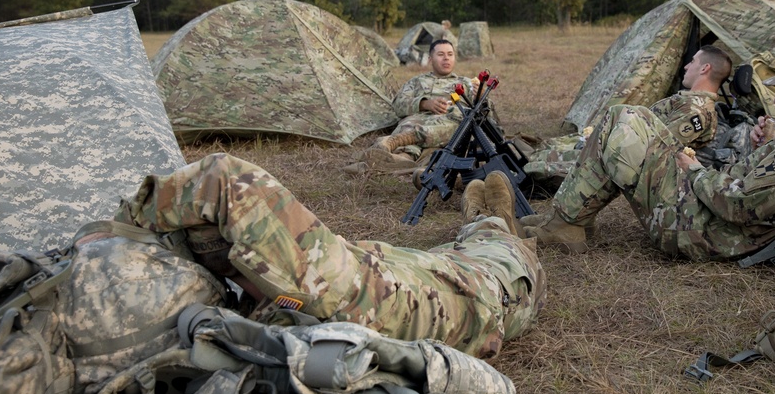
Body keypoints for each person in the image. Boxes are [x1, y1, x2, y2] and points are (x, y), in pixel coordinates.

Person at [114, 153, 545, 359]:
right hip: (488, 281)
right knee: (484, 244)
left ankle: (488, 220)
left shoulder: (325, 290)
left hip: (449, 276)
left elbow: (224, 181)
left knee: (479, 239)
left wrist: (121, 226)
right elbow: (223, 180)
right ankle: (492, 222)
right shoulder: (337, 291)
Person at [522, 53, 775, 259]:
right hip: (707, 218)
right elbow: (764, 191)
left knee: (622, 121)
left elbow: (738, 205)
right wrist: (761, 149)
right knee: (626, 126)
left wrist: (694, 170)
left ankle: (567, 221)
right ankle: (570, 221)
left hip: (697, 228)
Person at [522, 46, 732, 188]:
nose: (686, 66)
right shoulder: (690, 102)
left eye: (693, 61)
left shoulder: (696, 112)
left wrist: (609, 142)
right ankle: (527, 154)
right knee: (542, 153)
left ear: (705, 68)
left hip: (626, 160)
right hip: (621, 147)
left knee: (535, 165)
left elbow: (655, 148)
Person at [347, 38, 481, 174]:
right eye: (441, 55)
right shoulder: (417, 81)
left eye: (450, 54)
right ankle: (402, 159)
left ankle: (390, 150)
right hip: (417, 122)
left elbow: (485, 117)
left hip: (449, 123)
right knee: (409, 127)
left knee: (462, 126)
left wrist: (480, 97)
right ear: (430, 59)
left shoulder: (467, 83)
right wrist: (424, 104)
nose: (446, 58)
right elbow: (398, 105)